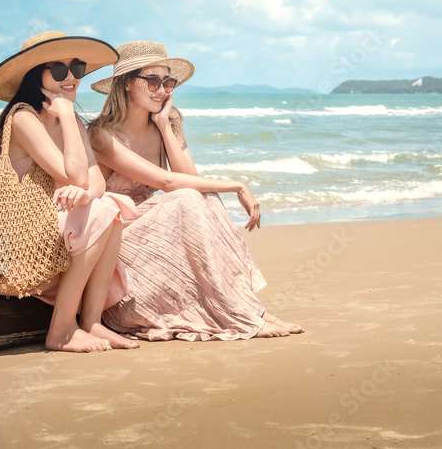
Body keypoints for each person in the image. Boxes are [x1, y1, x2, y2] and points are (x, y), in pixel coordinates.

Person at [87, 41, 303, 340]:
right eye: (151, 81)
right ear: (125, 84)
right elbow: (169, 183)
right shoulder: (102, 134)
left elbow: (188, 177)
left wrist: (165, 127)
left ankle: (248, 310)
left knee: (201, 196)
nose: (161, 90)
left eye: (168, 81)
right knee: (188, 196)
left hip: (143, 231)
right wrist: (237, 185)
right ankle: (242, 313)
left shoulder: (167, 122)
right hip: (112, 238)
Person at [0, 31, 139, 353]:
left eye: (77, 67)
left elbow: (94, 180)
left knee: (113, 203)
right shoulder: (22, 118)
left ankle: (91, 322)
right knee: (103, 209)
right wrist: (66, 115)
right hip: (1, 248)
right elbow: (73, 173)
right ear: (37, 75)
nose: (71, 77)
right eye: (58, 70)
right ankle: (61, 331)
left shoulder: (69, 120)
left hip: (40, 240)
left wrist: (87, 194)